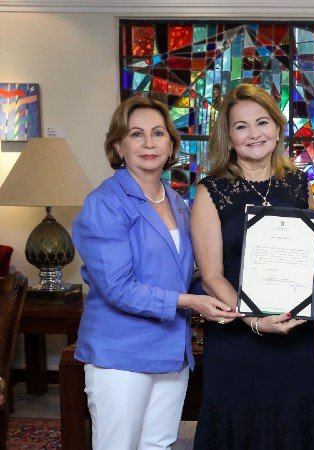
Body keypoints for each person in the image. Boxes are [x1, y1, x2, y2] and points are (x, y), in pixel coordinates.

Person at [72, 96, 239, 450]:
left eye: (158, 133)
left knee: (159, 444)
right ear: (118, 145)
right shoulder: (104, 203)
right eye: (136, 134)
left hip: (171, 351)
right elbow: (118, 288)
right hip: (120, 354)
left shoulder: (177, 202)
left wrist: (232, 291)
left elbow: (183, 274)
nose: (149, 143)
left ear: (171, 143)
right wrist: (192, 301)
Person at [190, 83, 314, 450]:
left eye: (262, 122)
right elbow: (211, 276)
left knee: (293, 425)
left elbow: (311, 259)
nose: (254, 134)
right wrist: (253, 320)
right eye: (241, 126)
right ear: (229, 137)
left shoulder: (299, 184)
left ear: (278, 127)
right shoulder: (211, 190)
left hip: (292, 331)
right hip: (237, 334)